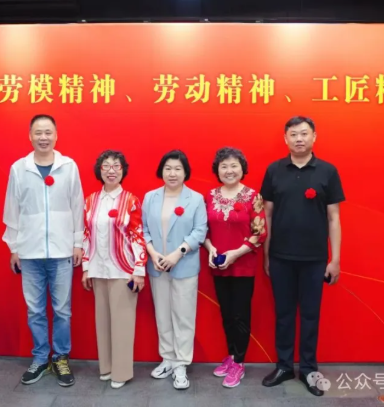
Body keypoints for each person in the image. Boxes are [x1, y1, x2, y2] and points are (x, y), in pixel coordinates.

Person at [259, 116, 345, 396]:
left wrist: (335, 259)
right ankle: (284, 366)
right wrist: (267, 254)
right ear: (285, 139)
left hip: (314, 259)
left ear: (314, 137)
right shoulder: (274, 170)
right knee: (283, 314)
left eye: (304, 133)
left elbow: (334, 218)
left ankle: (308, 368)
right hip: (281, 257)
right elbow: (267, 215)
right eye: (293, 134)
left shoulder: (327, 171)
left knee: (310, 315)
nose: (299, 139)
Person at [2, 114, 84, 388]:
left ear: (56, 135)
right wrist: (14, 247)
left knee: (62, 310)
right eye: (38, 132)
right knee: (35, 310)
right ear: (30, 136)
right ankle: (39, 358)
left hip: (61, 251)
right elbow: (12, 209)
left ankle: (60, 358)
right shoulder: (19, 168)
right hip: (29, 252)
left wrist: (77, 243)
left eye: (48, 132)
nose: (43, 137)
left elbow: (77, 205)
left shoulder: (68, 166)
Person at [81, 150, 147, 389]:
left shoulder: (130, 200)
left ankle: (121, 372)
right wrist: (86, 268)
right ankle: (106, 367)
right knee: (103, 322)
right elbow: (86, 235)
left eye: (116, 166)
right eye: (106, 166)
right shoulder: (90, 200)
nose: (111, 170)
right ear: (99, 171)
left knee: (122, 323)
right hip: (98, 269)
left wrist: (138, 269)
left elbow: (138, 235)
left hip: (123, 270)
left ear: (123, 171)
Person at [142, 150, 207, 390]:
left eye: (177, 169)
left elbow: (200, 231)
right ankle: (167, 358)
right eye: (168, 168)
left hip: (184, 265)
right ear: (161, 171)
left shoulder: (196, 199)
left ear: (185, 172)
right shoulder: (150, 197)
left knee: (183, 316)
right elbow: (143, 229)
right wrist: (153, 253)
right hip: (157, 265)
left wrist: (178, 253)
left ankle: (181, 363)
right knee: (163, 314)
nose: (172, 173)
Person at [203, 147, 267, 388]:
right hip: (218, 264)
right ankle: (231, 355)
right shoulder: (210, 196)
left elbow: (260, 233)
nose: (229, 171)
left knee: (240, 315)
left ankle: (239, 362)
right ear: (217, 170)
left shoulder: (253, 196)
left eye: (234, 166)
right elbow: (203, 230)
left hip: (243, 265)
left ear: (242, 169)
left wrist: (236, 254)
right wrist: (211, 249)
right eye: (224, 166)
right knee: (227, 313)